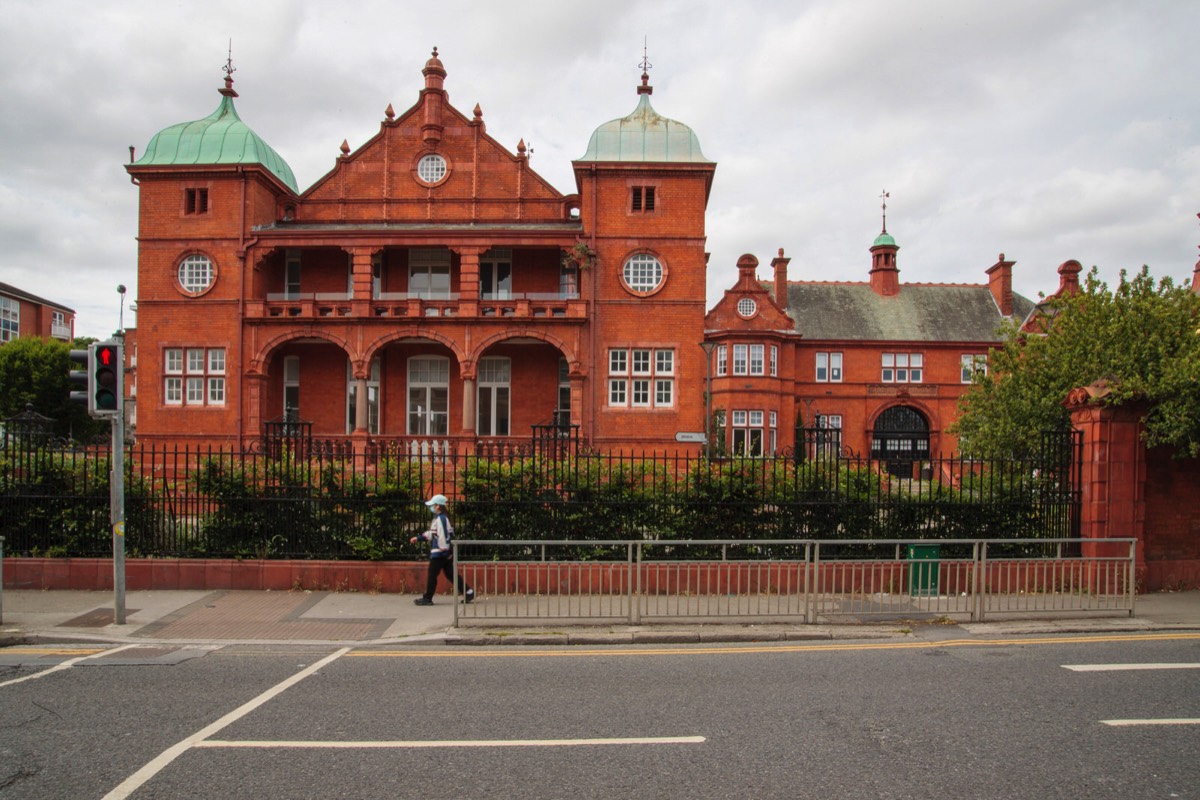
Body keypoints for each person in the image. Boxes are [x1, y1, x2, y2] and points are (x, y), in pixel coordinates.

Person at [409, 494, 474, 606]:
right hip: (444, 552)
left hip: (439, 553)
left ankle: (428, 598)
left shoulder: (441, 519)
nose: (432, 507)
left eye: (433, 505)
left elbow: (442, 536)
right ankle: (468, 592)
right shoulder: (440, 519)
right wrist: (419, 538)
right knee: (451, 575)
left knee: (432, 575)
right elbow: (433, 534)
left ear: (438, 506)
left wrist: (445, 551)